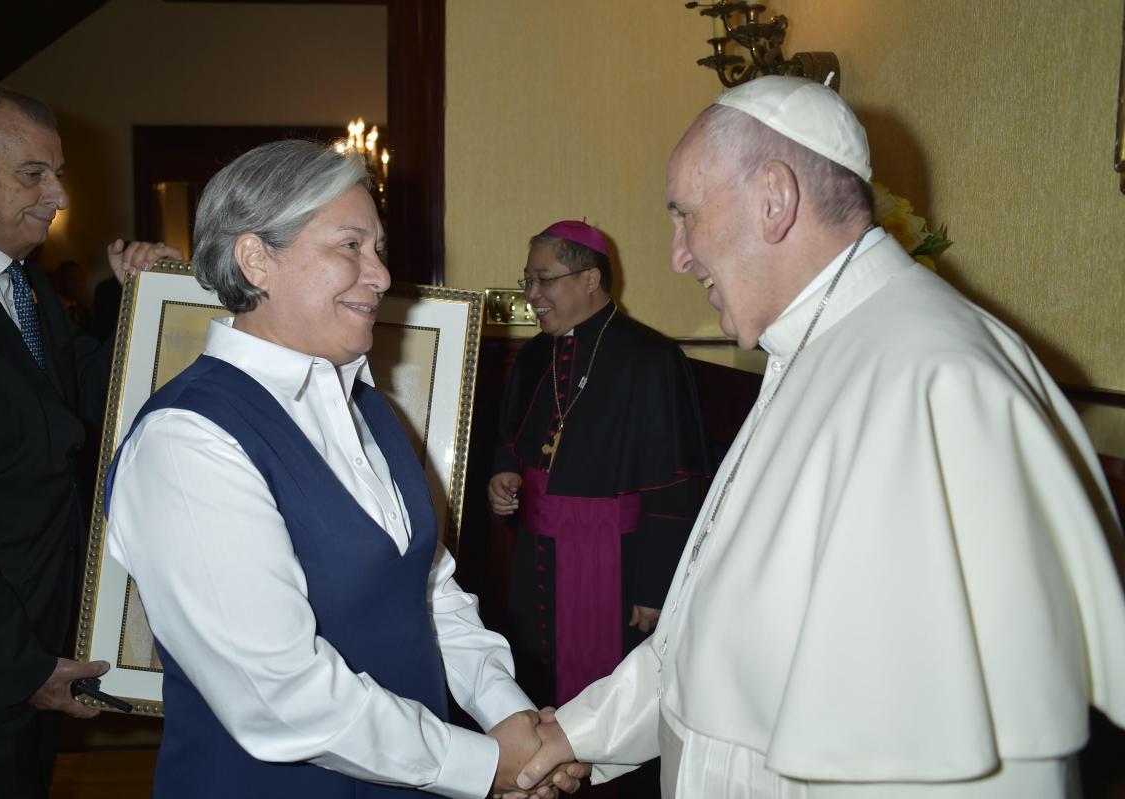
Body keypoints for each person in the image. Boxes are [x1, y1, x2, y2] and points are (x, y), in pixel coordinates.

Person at [516, 76, 1125, 798]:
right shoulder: (810, 344)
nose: (678, 255)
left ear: (773, 198)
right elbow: (712, 636)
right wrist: (576, 733)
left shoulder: (933, 380)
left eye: (686, 215)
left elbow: (930, 760)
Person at [104, 139, 586, 798]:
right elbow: (280, 697)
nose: (382, 274)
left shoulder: (363, 403)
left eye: (379, 248)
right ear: (255, 259)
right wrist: (483, 764)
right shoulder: (186, 444)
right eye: (350, 246)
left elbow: (427, 584)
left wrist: (508, 713)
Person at [0, 82, 180, 797]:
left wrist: (145, 304)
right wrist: (19, 664)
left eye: (57, 172)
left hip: (34, 654)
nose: (58, 195)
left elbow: (83, 398)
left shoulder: (25, 284)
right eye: (34, 174)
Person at [488, 221, 707, 716]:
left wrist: (655, 587)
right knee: (537, 680)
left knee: (611, 701)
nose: (531, 294)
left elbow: (674, 488)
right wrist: (505, 473)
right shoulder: (534, 355)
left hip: (619, 565)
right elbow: (512, 437)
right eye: (527, 279)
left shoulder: (652, 359)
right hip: (535, 558)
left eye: (544, 280)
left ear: (590, 279)